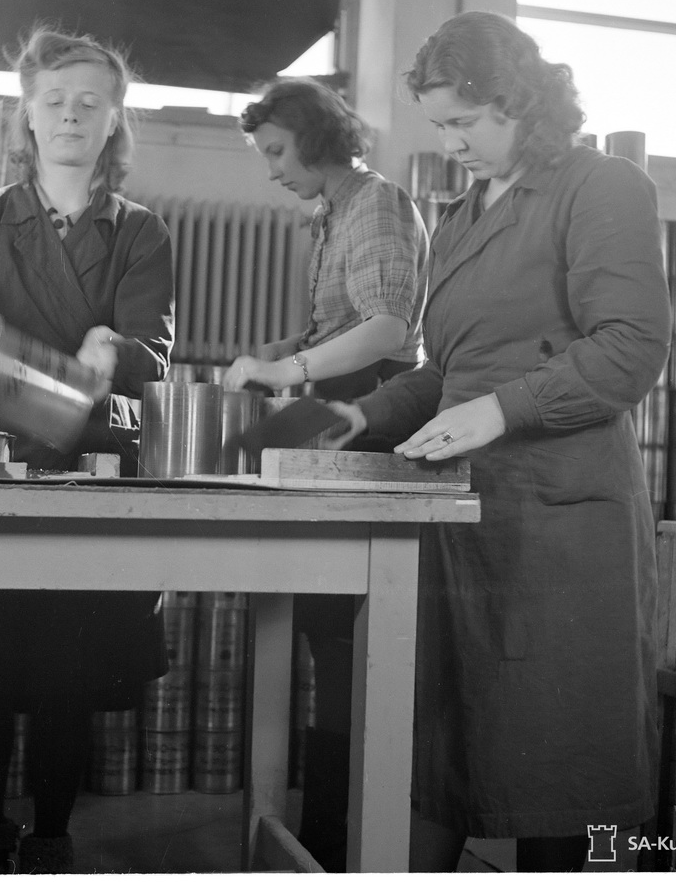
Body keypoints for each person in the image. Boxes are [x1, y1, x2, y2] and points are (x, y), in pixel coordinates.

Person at [328, 11, 671, 872]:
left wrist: (503, 410)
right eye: (439, 125)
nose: (452, 144)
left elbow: (631, 346)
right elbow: (448, 369)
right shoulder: (457, 216)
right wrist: (364, 416)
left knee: (566, 768)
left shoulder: (600, 187)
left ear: (520, 100)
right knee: (451, 750)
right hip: (467, 520)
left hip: (561, 522)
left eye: (467, 122)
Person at [0, 26, 174, 874]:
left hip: (90, 470)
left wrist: (115, 353)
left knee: (70, 672)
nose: (71, 116)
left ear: (115, 119)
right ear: (27, 114)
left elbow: (154, 352)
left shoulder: (141, 232)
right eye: (54, 101)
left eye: (90, 102)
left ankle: (52, 837)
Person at [223, 77, 430, 871]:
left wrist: (290, 370)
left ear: (314, 139)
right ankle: (321, 835)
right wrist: (283, 351)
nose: (271, 169)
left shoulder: (375, 203)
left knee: (343, 643)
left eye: (277, 151)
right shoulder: (334, 213)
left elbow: (386, 329)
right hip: (346, 405)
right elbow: (340, 325)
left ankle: (338, 843)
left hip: (375, 414)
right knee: (325, 636)